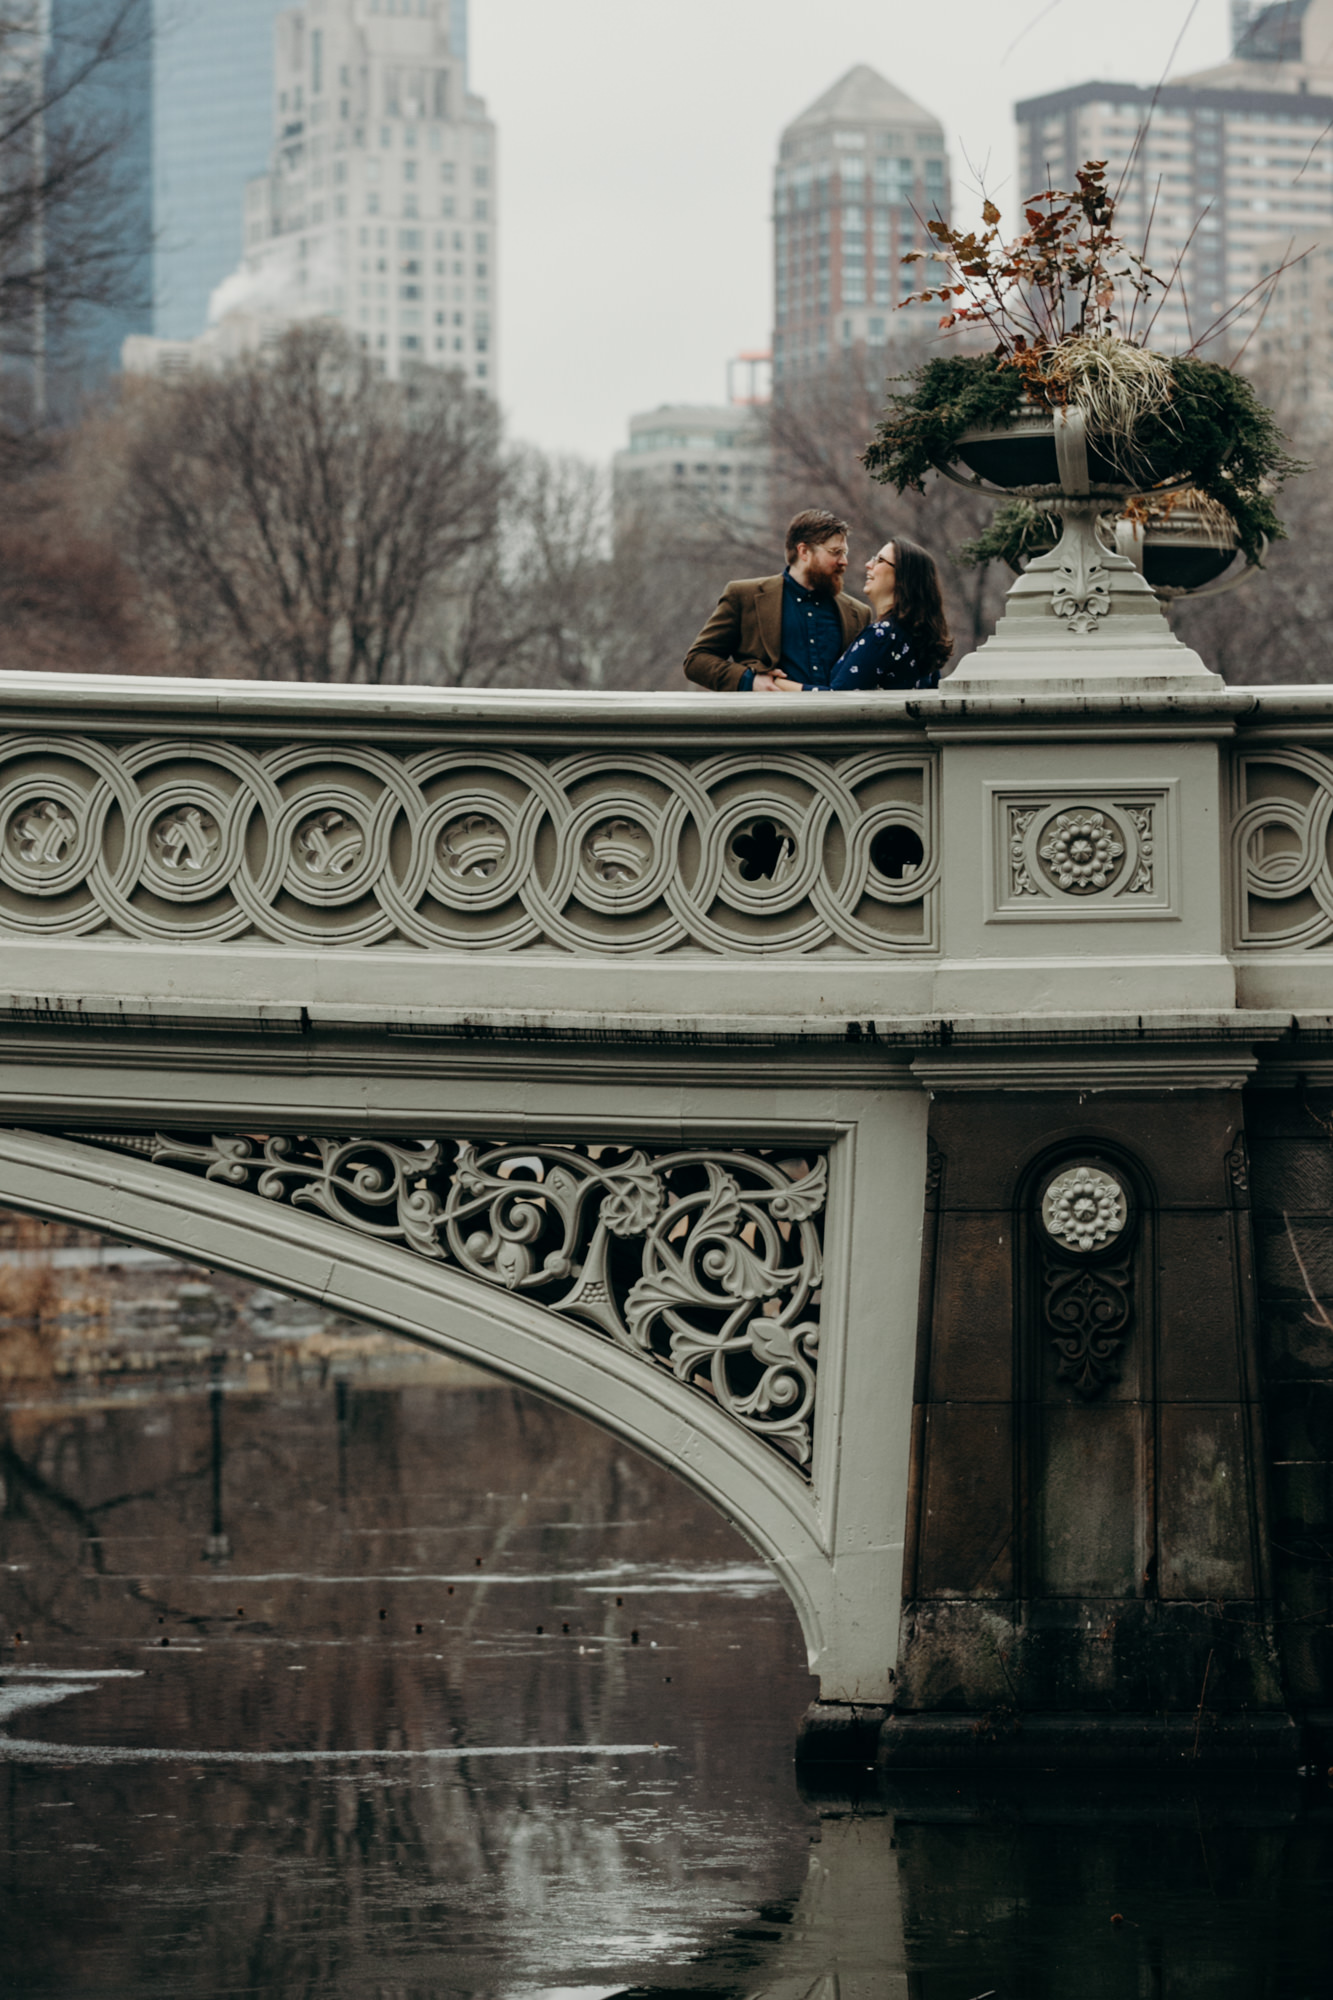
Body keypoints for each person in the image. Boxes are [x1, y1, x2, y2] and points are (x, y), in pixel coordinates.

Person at [682, 509, 872, 693]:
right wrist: (749, 681)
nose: (844, 561)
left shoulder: (858, 613)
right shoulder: (744, 596)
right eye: (835, 552)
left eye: (845, 552)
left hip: (838, 724)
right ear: (804, 551)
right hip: (767, 723)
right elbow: (696, 661)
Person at [829, 535, 951, 691]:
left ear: (902, 576)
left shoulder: (883, 635)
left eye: (879, 560)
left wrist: (787, 686)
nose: (868, 565)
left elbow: (837, 698)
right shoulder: (918, 639)